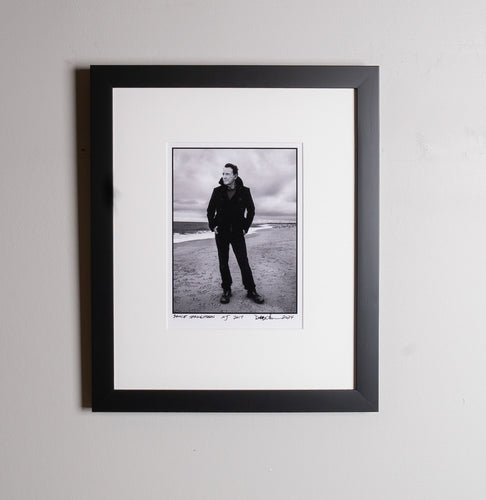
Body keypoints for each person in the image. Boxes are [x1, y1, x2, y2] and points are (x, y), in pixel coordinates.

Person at [207, 163, 264, 304]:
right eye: (223, 174)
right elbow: (210, 210)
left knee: (243, 262)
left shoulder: (245, 191)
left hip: (238, 232)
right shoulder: (217, 191)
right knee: (223, 263)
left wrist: (246, 227)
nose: (224, 176)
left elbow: (251, 210)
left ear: (235, 176)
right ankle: (226, 289)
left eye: (227, 174)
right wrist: (213, 225)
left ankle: (251, 290)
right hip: (221, 232)